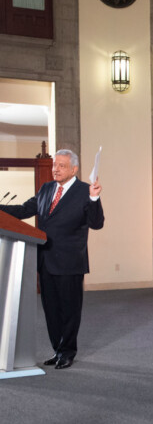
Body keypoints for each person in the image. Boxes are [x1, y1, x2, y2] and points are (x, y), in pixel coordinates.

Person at [0, 149, 104, 370]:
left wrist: (95, 198)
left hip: (69, 262)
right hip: (45, 260)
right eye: (55, 164)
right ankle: (58, 350)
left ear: (74, 169)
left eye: (61, 165)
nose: (55, 169)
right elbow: (24, 210)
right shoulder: (47, 189)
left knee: (69, 310)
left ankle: (68, 352)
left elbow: (96, 223)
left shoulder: (85, 191)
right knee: (51, 310)